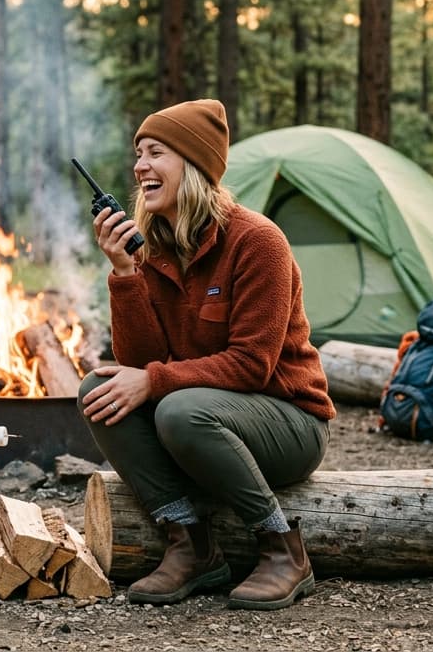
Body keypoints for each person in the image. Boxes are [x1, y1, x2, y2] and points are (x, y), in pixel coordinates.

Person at [77, 99, 335, 610]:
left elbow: (251, 365)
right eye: (138, 153)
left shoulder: (258, 242)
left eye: (155, 152)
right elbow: (140, 360)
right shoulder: (151, 248)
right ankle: (190, 543)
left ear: (193, 165)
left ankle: (282, 548)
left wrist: (153, 382)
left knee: (177, 407)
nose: (139, 166)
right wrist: (125, 275)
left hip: (287, 420)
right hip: (200, 419)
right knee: (98, 390)